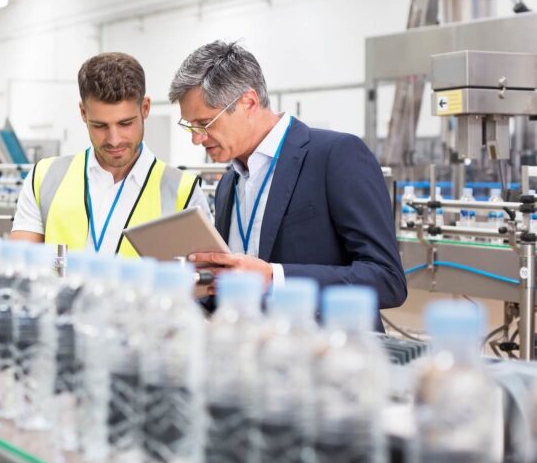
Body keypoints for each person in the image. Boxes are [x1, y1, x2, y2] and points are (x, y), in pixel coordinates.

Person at [170, 41, 405, 326]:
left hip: (326, 356)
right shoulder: (228, 183)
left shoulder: (335, 156)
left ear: (249, 102)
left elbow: (387, 280)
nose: (197, 138)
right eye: (191, 126)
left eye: (205, 123)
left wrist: (274, 277)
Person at [11, 52, 210, 256]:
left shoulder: (184, 192)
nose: (114, 140)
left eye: (125, 124)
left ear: (145, 108)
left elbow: (200, 283)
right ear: (83, 113)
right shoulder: (44, 178)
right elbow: (20, 267)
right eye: (100, 125)